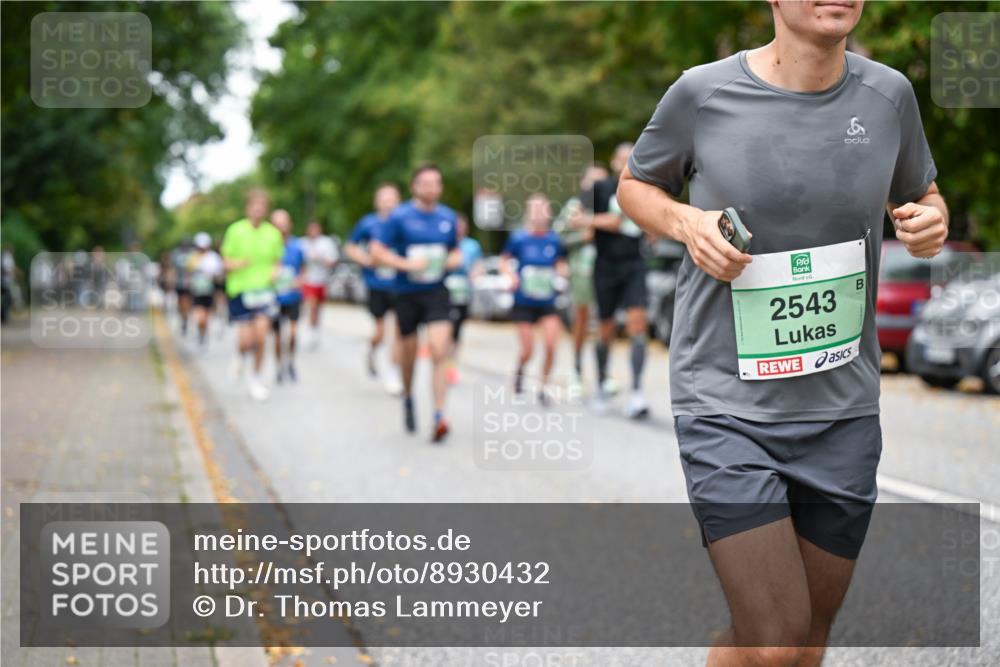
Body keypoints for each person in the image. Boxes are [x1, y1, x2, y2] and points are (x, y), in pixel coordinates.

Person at [617, 2, 947, 665]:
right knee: (773, 639)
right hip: (726, 404)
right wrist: (687, 223)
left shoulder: (888, 96)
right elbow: (634, 187)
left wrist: (929, 223)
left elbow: (925, 195)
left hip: (842, 412)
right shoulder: (703, 93)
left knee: (805, 641)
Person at [371, 164, 462, 443]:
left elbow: (455, 250)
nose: (431, 188)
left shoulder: (448, 217)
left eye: (436, 183)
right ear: (414, 187)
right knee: (408, 357)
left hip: (436, 292)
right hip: (407, 294)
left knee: (438, 350)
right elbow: (376, 251)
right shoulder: (399, 217)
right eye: (425, 183)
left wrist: (453, 260)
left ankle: (439, 415)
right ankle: (409, 397)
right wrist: (406, 264)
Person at [578, 143, 650, 418]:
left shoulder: (646, 188)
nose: (626, 163)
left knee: (637, 324)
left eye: (631, 158)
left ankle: (637, 392)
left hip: (634, 264)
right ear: (613, 162)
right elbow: (578, 219)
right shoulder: (600, 189)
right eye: (622, 158)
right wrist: (602, 221)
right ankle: (600, 385)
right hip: (605, 265)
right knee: (605, 329)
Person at [501, 194, 568, 403]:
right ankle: (520, 370)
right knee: (528, 349)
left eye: (543, 208)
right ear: (528, 213)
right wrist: (510, 275)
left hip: (547, 300)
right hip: (524, 300)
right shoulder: (519, 238)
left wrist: (562, 273)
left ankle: (543, 387)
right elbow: (504, 261)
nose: (540, 213)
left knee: (550, 345)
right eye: (535, 209)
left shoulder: (554, 240)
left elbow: (561, 263)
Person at [221, 189, 284, 401]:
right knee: (246, 341)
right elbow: (226, 262)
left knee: (261, 336)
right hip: (240, 290)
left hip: (264, 292)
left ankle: (255, 378)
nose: (258, 210)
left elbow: (278, 260)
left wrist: (275, 273)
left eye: (262, 206)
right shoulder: (235, 230)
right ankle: (240, 355)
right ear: (248, 208)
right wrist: (239, 263)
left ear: (265, 209)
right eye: (254, 206)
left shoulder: (273, 233)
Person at [345, 183, 404, 395]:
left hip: (400, 284)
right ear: (377, 201)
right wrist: (365, 259)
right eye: (384, 198)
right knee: (380, 332)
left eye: (392, 198)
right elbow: (350, 247)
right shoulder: (368, 223)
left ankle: (393, 373)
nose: (388, 202)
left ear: (399, 200)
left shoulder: (404, 222)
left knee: (398, 331)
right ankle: (371, 349)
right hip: (376, 285)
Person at [556, 163, 608, 395]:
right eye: (592, 181)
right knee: (582, 318)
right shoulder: (574, 207)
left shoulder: (611, 206)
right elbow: (557, 237)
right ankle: (576, 370)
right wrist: (582, 236)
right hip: (582, 269)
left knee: (607, 321)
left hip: (608, 268)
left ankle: (603, 374)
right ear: (583, 183)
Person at [445, 213, 483, 385]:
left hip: (463, 293)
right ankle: (443, 362)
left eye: (462, 225)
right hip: (445, 292)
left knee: (457, 331)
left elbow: (478, 265)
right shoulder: (446, 243)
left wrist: (476, 273)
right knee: (445, 328)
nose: (459, 228)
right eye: (456, 225)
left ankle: (452, 364)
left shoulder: (472, 245)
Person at [271, 209, 306, 383]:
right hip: (275, 298)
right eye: (277, 223)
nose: (281, 227)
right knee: (277, 336)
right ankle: (279, 366)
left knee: (292, 333)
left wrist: (300, 281)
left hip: (293, 296)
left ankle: (291, 362)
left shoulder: (297, 246)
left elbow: (303, 269)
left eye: (283, 223)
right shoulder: (269, 246)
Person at [299, 220, 339, 349]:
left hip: (322, 280)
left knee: (317, 309)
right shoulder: (302, 243)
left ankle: (315, 330)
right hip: (308, 280)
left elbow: (333, 261)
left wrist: (320, 258)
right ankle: (309, 331)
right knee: (311, 305)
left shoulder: (326, 243)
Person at [187, 232, 224, 347]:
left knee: (207, 316)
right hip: (197, 292)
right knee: (200, 317)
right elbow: (189, 273)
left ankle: (204, 334)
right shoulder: (193, 257)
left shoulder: (213, 257)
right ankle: (201, 333)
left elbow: (220, 275)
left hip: (210, 291)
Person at [170, 238, 196, 335]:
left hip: (190, 283)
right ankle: (184, 318)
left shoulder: (193, 254)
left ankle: (186, 318)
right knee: (181, 302)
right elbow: (173, 269)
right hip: (179, 283)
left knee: (188, 302)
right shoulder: (176, 254)